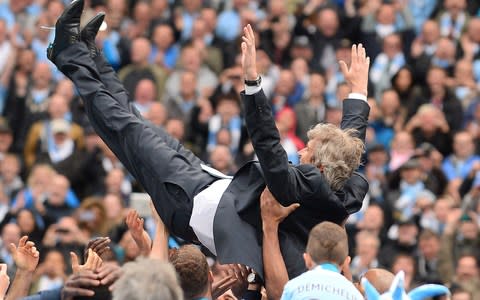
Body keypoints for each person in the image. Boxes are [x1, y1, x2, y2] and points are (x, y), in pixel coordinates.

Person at [46, 0, 370, 278]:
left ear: (322, 170)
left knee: (125, 127)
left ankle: (69, 54)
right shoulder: (344, 190)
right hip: (207, 185)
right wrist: (358, 91)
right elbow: (349, 147)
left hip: (190, 201)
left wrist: (252, 82)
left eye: (308, 153)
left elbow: (270, 148)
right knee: (131, 123)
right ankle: (88, 55)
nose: (301, 152)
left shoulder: (299, 188)